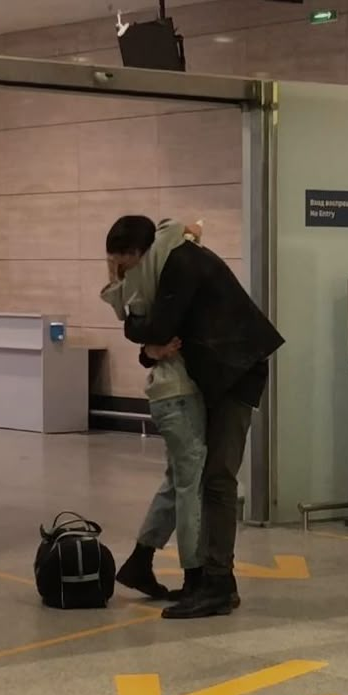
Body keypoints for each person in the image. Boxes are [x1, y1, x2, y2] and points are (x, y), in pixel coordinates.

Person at [117, 217, 284, 619]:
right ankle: (198, 576)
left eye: (125, 267)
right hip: (219, 376)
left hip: (236, 375)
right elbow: (163, 339)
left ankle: (218, 584)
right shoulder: (177, 260)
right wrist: (150, 346)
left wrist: (131, 322)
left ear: (142, 254)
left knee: (218, 479)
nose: (127, 278)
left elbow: (158, 326)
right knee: (196, 477)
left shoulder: (182, 263)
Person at [101, 217, 208, 603]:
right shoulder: (147, 280)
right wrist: (192, 228)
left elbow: (132, 324)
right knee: (189, 485)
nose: (121, 269)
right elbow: (173, 229)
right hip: (177, 393)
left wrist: (148, 350)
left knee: (176, 480)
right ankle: (194, 573)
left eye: (122, 261)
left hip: (169, 392)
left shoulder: (137, 285)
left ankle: (141, 560)